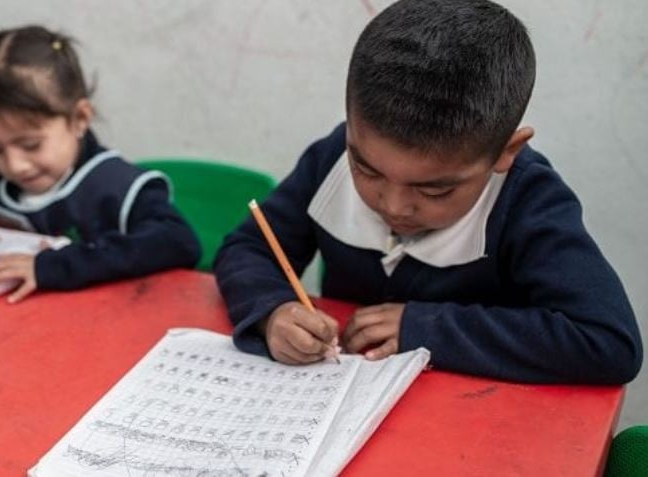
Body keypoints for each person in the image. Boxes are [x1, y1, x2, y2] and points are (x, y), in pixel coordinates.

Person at [214, 0, 642, 384]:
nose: (393, 205)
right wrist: (272, 311)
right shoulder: (331, 158)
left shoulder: (528, 201)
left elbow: (608, 341)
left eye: (435, 190)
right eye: (366, 169)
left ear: (506, 151)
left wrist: (426, 329)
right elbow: (247, 248)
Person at [0, 23, 200, 303]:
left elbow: (179, 243)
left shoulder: (116, 186)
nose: (15, 166)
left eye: (30, 145)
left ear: (79, 118)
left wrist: (57, 266)